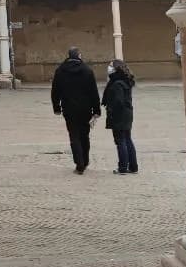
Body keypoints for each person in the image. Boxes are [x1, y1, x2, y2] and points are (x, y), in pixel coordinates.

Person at [51, 47, 100, 175]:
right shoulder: (87, 70)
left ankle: (79, 164)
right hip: (85, 108)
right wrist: (97, 110)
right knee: (84, 135)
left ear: (68, 56)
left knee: (74, 135)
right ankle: (85, 160)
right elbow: (93, 92)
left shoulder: (61, 71)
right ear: (79, 55)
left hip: (69, 108)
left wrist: (56, 107)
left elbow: (55, 91)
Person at [102, 59, 138, 175]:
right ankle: (133, 167)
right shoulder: (124, 80)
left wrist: (111, 111)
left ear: (115, 68)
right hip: (127, 113)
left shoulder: (117, 83)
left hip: (120, 115)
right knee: (127, 139)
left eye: (110, 65)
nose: (108, 67)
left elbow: (118, 101)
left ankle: (123, 167)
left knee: (121, 141)